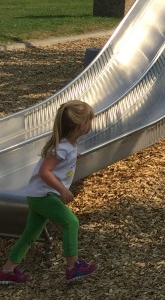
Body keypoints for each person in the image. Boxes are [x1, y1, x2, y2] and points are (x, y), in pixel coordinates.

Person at [0, 100, 98, 285]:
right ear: (79, 125)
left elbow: (58, 161)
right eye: (89, 121)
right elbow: (45, 171)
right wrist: (62, 189)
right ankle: (72, 267)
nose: (91, 125)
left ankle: (7, 271)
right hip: (45, 196)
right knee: (71, 221)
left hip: (38, 196)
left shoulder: (67, 145)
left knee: (30, 234)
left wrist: (72, 157)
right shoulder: (61, 148)